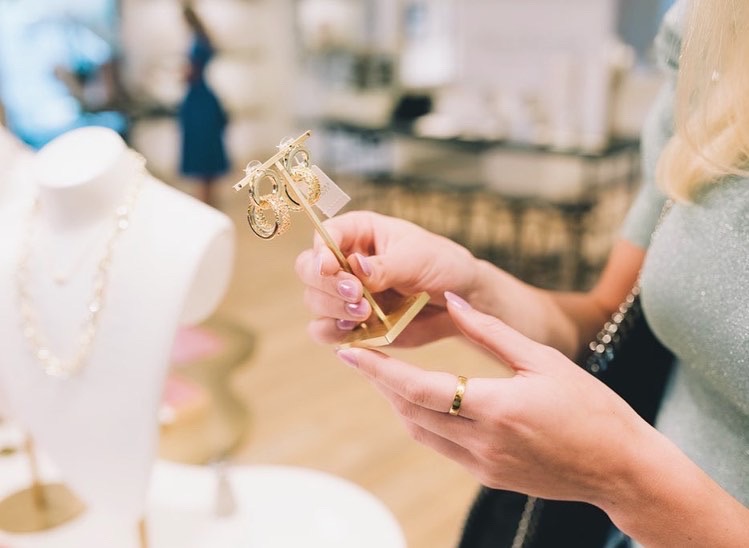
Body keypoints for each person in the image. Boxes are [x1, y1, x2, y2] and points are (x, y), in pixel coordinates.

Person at [294, 1, 749, 546]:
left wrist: (624, 477)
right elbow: (608, 325)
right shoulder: (718, 40)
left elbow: (627, 473)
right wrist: (470, 289)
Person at [178, 4, 230, 207]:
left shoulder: (197, 42)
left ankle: (204, 202)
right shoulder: (203, 39)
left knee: (201, 151)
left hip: (198, 100)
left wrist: (181, 73)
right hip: (203, 98)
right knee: (207, 150)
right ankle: (209, 200)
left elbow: (191, 73)